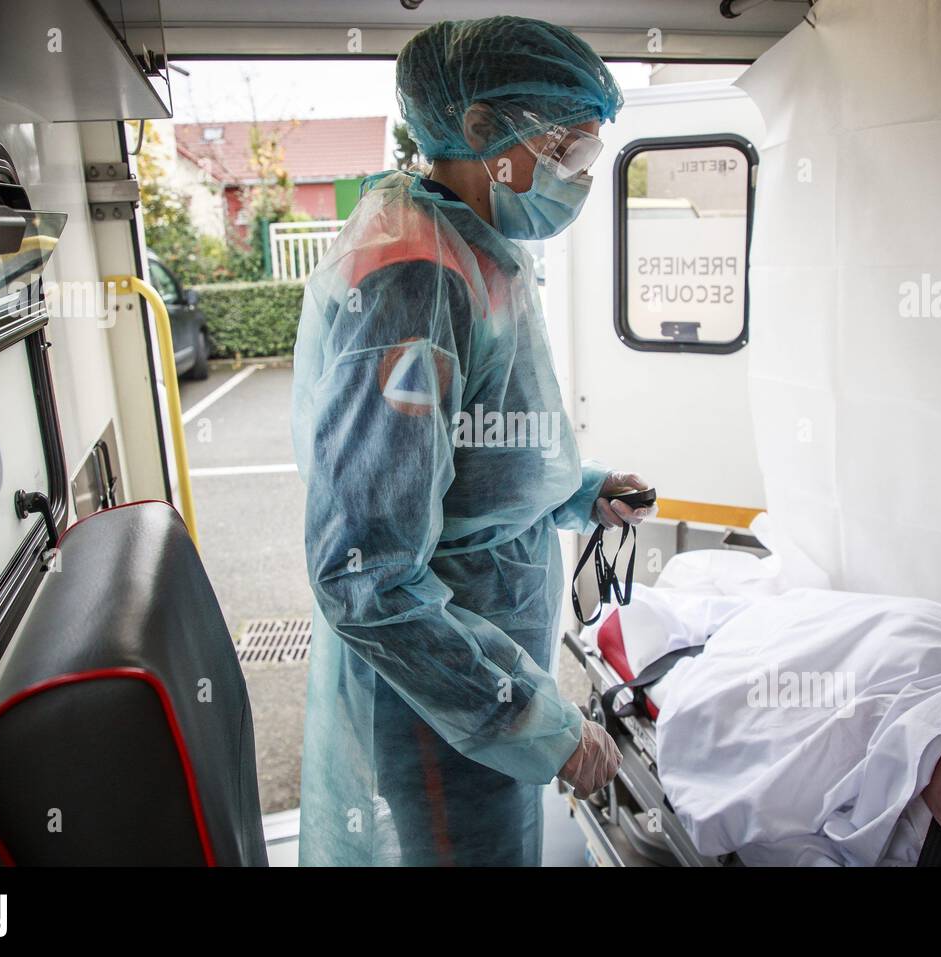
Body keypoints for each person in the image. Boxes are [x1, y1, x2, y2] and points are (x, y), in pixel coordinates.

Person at [291, 15, 654, 866]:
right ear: (484, 130)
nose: (579, 177)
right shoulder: (414, 278)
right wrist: (537, 723)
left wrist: (580, 489)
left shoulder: (471, 243)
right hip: (444, 698)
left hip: (484, 655)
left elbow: (483, 448)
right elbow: (368, 574)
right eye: (567, 151)